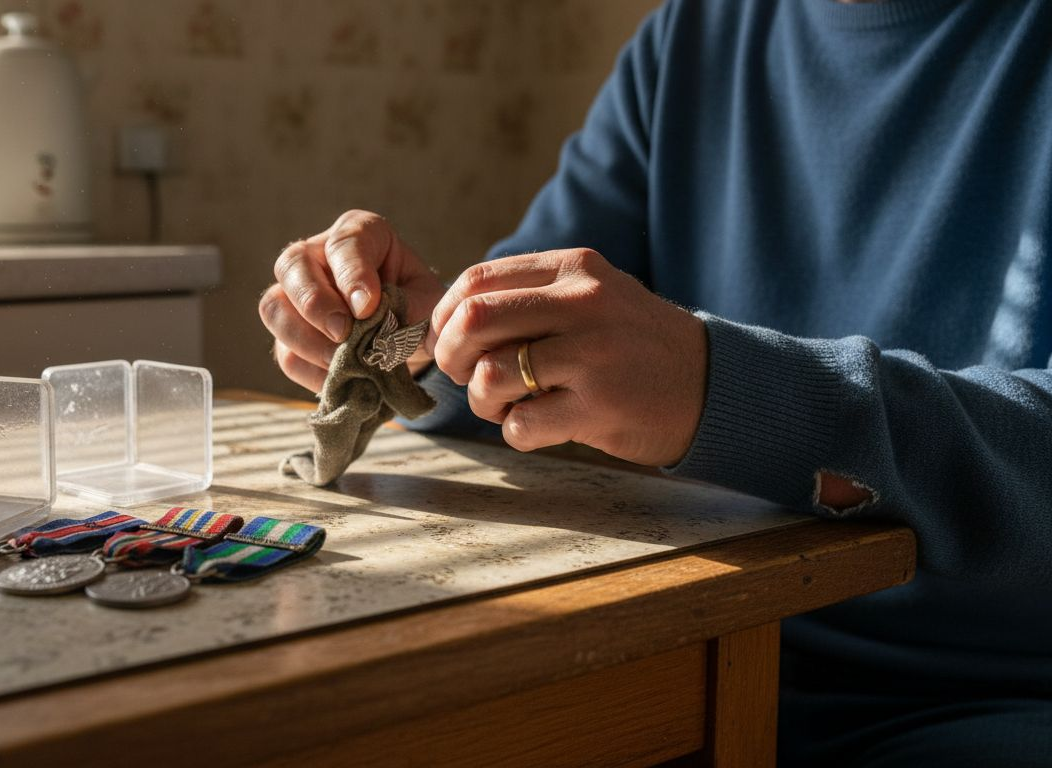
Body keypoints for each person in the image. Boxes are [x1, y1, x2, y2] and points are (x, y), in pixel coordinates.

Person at [258, 1, 1052, 764]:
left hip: (985, 697)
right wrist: (414, 343)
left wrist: (721, 388)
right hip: (683, 653)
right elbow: (535, 329)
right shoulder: (692, 36)